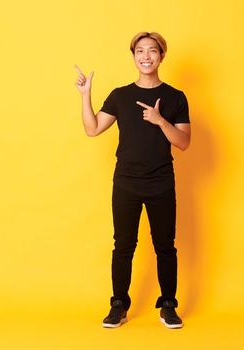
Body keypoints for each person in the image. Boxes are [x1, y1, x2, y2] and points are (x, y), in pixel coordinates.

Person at [74, 31, 191, 329]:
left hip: (161, 181)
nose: (146, 56)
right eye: (140, 51)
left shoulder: (176, 97)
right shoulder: (120, 95)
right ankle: (118, 305)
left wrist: (160, 120)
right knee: (123, 244)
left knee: (165, 245)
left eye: (153, 51)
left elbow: (184, 142)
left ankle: (168, 304)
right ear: (134, 56)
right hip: (126, 181)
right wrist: (86, 95)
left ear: (162, 56)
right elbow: (92, 129)